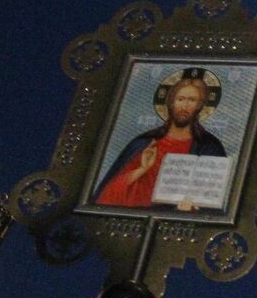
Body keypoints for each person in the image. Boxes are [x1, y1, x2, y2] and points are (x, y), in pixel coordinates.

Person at [94, 74, 227, 208]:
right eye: (180, 99)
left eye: (192, 100)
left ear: (199, 106)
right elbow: (106, 195)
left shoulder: (209, 147)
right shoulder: (143, 143)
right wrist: (142, 169)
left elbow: (214, 199)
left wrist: (194, 208)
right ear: (171, 102)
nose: (184, 106)